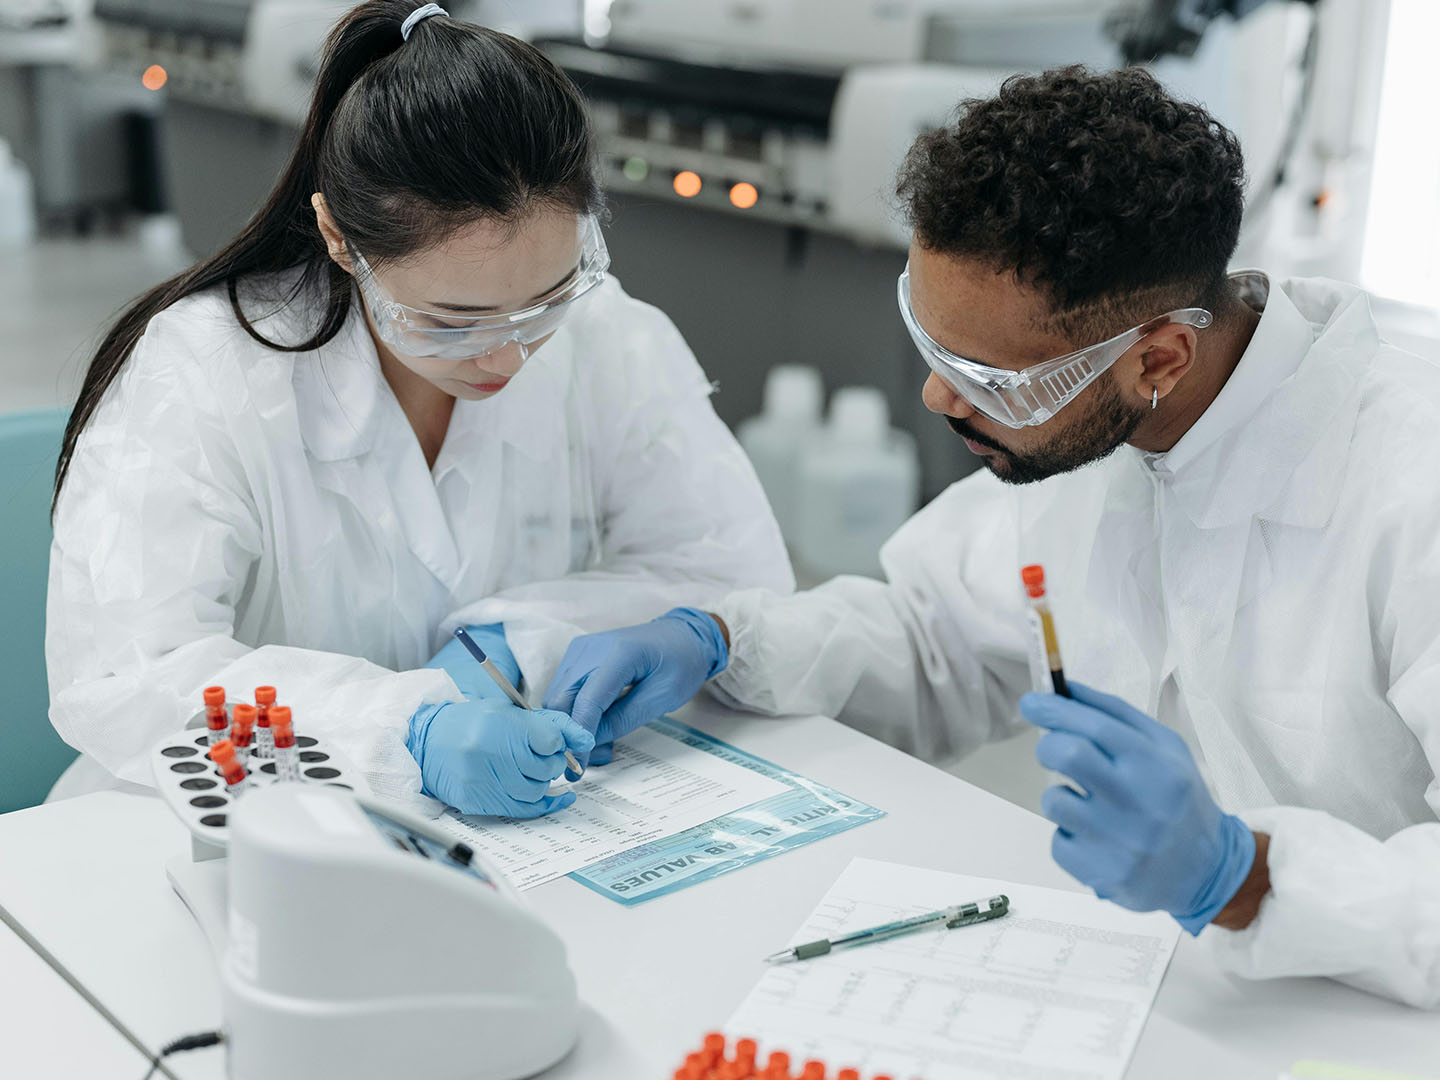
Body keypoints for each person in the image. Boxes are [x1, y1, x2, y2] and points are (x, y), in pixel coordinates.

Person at [539, 66, 1440, 1007]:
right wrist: (724, 641)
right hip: (1167, 999)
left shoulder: (1410, 491)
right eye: (931, 343)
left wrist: (1244, 876)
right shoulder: (1106, 431)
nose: (940, 395)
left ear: (1158, 359)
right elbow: (936, 638)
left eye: (990, 379)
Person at [45, 1, 790, 818]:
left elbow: (731, 577)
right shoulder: (203, 371)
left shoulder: (610, 338)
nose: (506, 357)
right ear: (338, 237)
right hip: (218, 825)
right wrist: (402, 731)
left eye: (547, 301)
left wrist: (521, 640)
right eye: (453, 322)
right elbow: (128, 675)